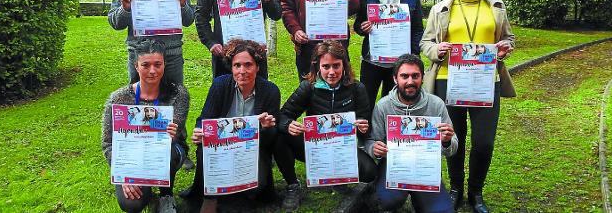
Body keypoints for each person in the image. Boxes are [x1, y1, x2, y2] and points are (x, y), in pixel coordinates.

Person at [420, 0, 516, 213]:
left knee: (484, 142)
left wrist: (506, 48)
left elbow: (508, 37)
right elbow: (425, 43)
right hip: (448, 81)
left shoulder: (495, 6)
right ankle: (455, 189)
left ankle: (476, 192)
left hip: (486, 82)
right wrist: (436, 50)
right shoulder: (440, 9)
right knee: (454, 138)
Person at [181, 39, 284, 213]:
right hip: (221, 147)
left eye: (248, 65)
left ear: (257, 67)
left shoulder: (270, 91)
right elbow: (205, 119)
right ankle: (210, 196)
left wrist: (265, 127)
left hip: (253, 149)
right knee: (202, 149)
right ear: (231, 67)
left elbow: (271, 139)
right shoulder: (220, 85)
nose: (242, 71)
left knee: (255, 188)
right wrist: (199, 131)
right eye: (237, 65)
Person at [276, 40, 377, 211]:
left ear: (344, 65)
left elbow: (364, 129)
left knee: (370, 172)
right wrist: (288, 125)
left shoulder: (357, 88)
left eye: (336, 66)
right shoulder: (309, 87)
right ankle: (293, 186)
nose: (331, 72)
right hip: (313, 148)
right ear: (317, 67)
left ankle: (339, 177)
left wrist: (363, 128)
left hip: (342, 149)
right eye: (326, 66)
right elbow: (283, 115)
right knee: (279, 137)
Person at [101, 39, 189, 213]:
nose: (152, 71)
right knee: (131, 204)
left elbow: (178, 134)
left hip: (167, 151)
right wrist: (123, 174)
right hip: (131, 158)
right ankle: (146, 190)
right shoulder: (118, 99)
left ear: (164, 65)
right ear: (136, 66)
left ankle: (166, 194)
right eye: (145, 65)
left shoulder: (178, 94)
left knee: (169, 152)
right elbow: (107, 143)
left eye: (158, 64)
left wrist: (173, 134)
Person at [364, 54, 457, 212]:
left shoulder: (436, 105)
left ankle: (421, 199)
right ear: (395, 79)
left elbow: (452, 147)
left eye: (415, 76)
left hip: (426, 169)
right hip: (394, 167)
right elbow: (371, 140)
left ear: (422, 77)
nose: (410, 81)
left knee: (442, 210)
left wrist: (446, 141)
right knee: (386, 201)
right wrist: (374, 148)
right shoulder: (383, 106)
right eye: (404, 76)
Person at [354, 0, 424, 106]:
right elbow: (358, 25)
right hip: (372, 61)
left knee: (393, 105)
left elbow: (418, 30)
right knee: (366, 103)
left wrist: (411, 56)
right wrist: (363, 28)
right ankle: (367, 132)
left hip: (399, 64)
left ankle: (388, 132)